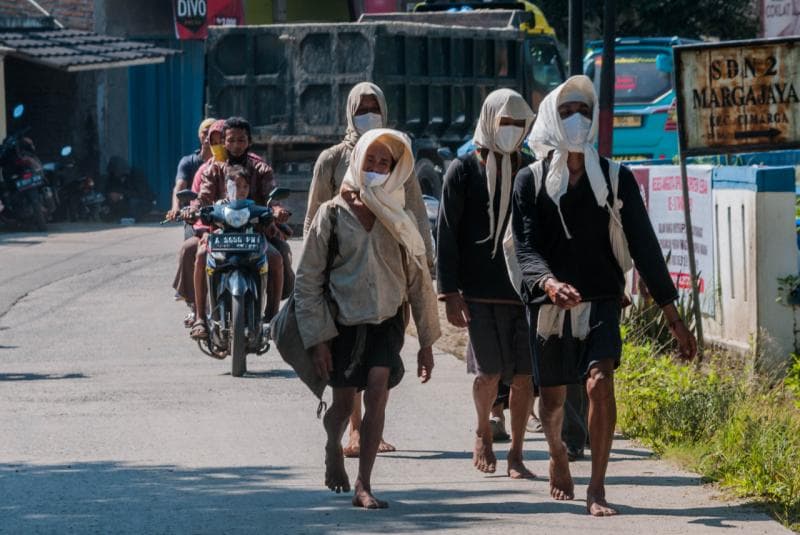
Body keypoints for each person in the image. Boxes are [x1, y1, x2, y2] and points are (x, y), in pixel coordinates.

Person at [511, 75, 697, 516]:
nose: (577, 120)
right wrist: (549, 284)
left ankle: (597, 486)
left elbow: (644, 246)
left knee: (600, 382)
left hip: (601, 300)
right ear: (552, 121)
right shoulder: (530, 181)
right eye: (567, 112)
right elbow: (525, 246)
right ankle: (557, 454)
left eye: (584, 112)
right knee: (553, 400)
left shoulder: (616, 179)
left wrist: (673, 316)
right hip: (549, 302)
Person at [296, 128, 440, 509]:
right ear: (357, 161)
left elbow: (417, 280)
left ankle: (364, 483)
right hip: (342, 324)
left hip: (386, 322)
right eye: (370, 160)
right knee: (343, 408)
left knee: (377, 395)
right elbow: (307, 281)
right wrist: (318, 339)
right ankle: (333, 444)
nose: (376, 167)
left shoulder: (400, 216)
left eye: (385, 162)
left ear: (395, 169)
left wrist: (426, 341)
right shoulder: (332, 214)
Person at [437, 88, 536, 479]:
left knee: (526, 376)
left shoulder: (531, 169)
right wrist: (449, 292)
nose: (510, 130)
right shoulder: (463, 171)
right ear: (489, 122)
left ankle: (516, 452)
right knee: (489, 372)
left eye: (518, 124)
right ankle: (483, 431)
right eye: (504, 123)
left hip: (524, 292)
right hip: (478, 291)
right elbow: (447, 233)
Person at [193, 117, 290, 340]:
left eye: (241, 140)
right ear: (223, 142)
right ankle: (200, 317)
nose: (236, 144)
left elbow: (271, 195)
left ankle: (273, 316)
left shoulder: (261, 168)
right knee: (199, 255)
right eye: (231, 140)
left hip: (254, 233)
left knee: (275, 258)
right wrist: (194, 209)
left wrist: (276, 210)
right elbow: (203, 197)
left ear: (249, 141)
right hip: (220, 232)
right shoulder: (213, 169)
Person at [171, 119, 226, 328]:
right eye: (212, 137)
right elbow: (188, 192)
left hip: (238, 228)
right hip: (207, 225)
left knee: (275, 255)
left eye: (224, 139)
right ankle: (197, 308)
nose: (218, 143)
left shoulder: (248, 164)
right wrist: (183, 209)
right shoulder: (201, 168)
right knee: (191, 250)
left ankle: (270, 314)